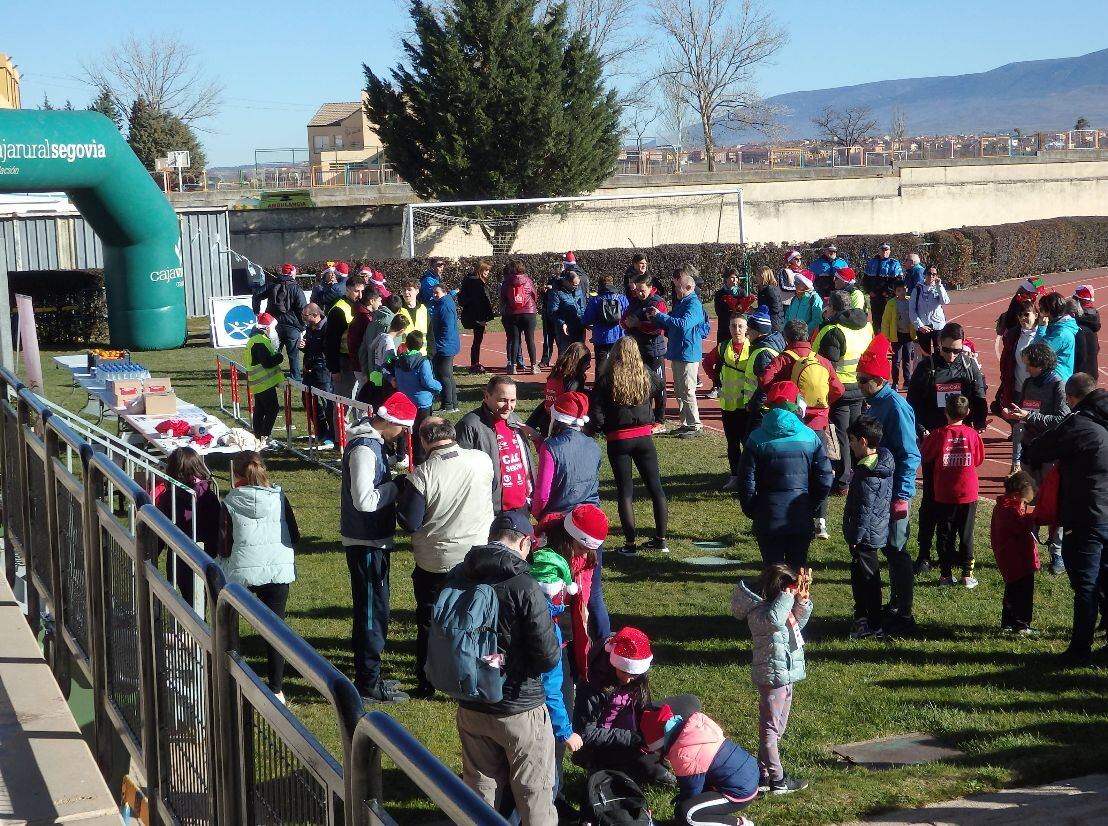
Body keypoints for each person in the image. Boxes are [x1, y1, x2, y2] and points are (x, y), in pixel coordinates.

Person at [452, 510, 561, 826]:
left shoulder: (459, 575)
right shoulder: (523, 586)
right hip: (519, 708)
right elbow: (547, 658)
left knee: (477, 796)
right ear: (526, 542)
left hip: (471, 704)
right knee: (535, 797)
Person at [396, 417, 494, 698]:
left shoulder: (423, 474)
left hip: (436, 561)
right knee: (476, 620)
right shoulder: (481, 460)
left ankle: (427, 682)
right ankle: (476, 676)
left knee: (431, 621)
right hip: (477, 556)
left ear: (424, 440)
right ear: (452, 435)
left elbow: (410, 522)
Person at [1022, 373, 1108, 666]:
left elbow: (1040, 448)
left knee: (1085, 583)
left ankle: (1080, 649)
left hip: (1087, 512)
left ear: (1071, 398)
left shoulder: (1078, 423)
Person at [341, 392, 416, 703]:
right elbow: (364, 499)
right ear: (390, 422)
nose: (404, 435)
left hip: (371, 540)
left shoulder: (372, 445)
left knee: (375, 611)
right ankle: (368, 683)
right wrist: (395, 487)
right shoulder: (364, 450)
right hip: (366, 541)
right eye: (403, 428)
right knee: (373, 613)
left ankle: (371, 675)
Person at [906, 322, 988, 575]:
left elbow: (979, 398)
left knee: (958, 501)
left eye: (957, 350)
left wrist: (979, 425)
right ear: (938, 344)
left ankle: (953, 555)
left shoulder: (968, 366)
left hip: (959, 444)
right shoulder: (926, 368)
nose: (952, 355)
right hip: (935, 443)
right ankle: (924, 553)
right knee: (931, 499)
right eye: (947, 350)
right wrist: (922, 431)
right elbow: (912, 406)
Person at [217, 450, 298, 704]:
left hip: (241, 572)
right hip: (277, 570)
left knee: (230, 624)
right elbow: (294, 535)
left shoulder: (229, 501)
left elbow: (223, 544)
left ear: (236, 474)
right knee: (275, 629)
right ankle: (276, 688)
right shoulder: (279, 496)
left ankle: (233, 677)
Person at [855, 335, 922, 638]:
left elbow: (910, 453)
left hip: (895, 492)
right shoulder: (876, 402)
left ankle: (904, 612)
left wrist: (903, 496)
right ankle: (894, 605)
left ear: (878, 379)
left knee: (897, 550)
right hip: (882, 490)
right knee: (889, 550)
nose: (858, 383)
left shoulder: (894, 407)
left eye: (863, 379)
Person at [729, 564, 812, 796]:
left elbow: (797, 624)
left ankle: (763, 773)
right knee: (770, 730)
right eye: (789, 590)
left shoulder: (780, 607)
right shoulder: (759, 612)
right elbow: (775, 620)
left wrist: (802, 602)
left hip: (785, 675)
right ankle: (778, 779)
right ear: (779, 590)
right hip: (772, 676)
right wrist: (787, 597)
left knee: (777, 728)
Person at [760, 319, 844, 538]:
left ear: (787, 339)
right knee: (821, 471)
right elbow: (838, 389)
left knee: (793, 472)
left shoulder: (784, 359)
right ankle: (821, 522)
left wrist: (780, 395)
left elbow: (764, 379)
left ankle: (794, 517)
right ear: (808, 336)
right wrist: (823, 407)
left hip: (793, 424)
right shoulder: (821, 360)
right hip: (818, 424)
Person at [738, 382, 833, 569]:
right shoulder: (810, 436)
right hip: (800, 513)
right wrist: (812, 505)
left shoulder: (756, 438)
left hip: (768, 514)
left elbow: (746, 480)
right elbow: (824, 477)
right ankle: (798, 598)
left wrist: (753, 510)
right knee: (798, 571)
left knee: (772, 571)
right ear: (797, 403)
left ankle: (775, 597)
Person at [590, 337, 670, 555]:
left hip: (618, 438)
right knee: (656, 488)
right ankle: (661, 539)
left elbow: (596, 410)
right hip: (644, 436)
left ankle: (630, 544)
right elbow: (660, 386)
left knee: (625, 491)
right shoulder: (643, 372)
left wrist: (603, 427)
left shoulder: (607, 377)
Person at [572, 627, 676, 790]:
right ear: (613, 662)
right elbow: (586, 733)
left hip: (631, 735)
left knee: (689, 703)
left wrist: (653, 729)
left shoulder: (637, 679)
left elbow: (642, 706)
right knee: (631, 778)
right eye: (624, 672)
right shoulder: (592, 685)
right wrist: (632, 738)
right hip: (603, 744)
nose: (628, 680)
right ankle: (597, 765)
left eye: (634, 674)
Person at [1001, 342, 1069, 572]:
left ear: (1040, 363)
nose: (1026, 368)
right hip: (1030, 450)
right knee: (1028, 500)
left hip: (1050, 454)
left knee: (1054, 504)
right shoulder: (1029, 383)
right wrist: (1014, 415)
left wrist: (1029, 416)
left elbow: (1062, 419)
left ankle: (1056, 553)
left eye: (1029, 364)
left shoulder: (1057, 385)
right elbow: (1024, 414)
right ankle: (1028, 545)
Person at [528, 549, 585, 821]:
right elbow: (551, 691)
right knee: (541, 781)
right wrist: (565, 732)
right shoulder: (549, 630)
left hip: (499, 709)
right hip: (534, 718)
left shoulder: (512, 607)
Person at [638, 705, 759, 826]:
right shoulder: (693, 731)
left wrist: (682, 803)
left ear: (660, 744)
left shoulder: (683, 754)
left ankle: (737, 824)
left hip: (739, 792)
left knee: (687, 813)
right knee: (688, 808)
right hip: (748, 774)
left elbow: (692, 793)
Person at [921, 395, 985, 588]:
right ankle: (967, 574)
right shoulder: (972, 434)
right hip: (967, 493)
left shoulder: (938, 434)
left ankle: (945, 575)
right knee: (966, 534)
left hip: (944, 493)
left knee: (945, 534)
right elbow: (979, 459)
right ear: (967, 413)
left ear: (945, 412)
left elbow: (926, 454)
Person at [813, 290, 874, 494]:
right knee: (855, 433)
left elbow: (827, 366)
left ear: (833, 308)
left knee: (841, 436)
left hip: (840, 390)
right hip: (861, 386)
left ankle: (842, 481)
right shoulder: (866, 326)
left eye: (828, 307)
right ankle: (857, 473)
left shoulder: (833, 330)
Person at [842, 416, 894, 639]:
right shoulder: (881, 463)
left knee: (868, 579)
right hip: (876, 529)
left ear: (863, 441)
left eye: (852, 440)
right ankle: (863, 615)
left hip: (865, 534)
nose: (850, 445)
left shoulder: (866, 474)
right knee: (862, 575)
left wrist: (856, 536)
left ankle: (873, 624)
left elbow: (864, 510)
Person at [456, 375, 535, 515]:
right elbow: (459, 471)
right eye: (502, 400)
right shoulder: (470, 425)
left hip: (521, 507)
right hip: (490, 510)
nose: (508, 407)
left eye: (513, 400)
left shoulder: (516, 421)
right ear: (487, 396)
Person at [648, 266, 710, 438]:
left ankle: (695, 425)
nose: (675, 290)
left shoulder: (694, 304)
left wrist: (661, 316)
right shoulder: (682, 303)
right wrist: (657, 318)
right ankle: (686, 423)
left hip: (688, 353)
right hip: (678, 351)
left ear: (689, 288)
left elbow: (683, 324)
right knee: (679, 390)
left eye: (678, 287)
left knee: (688, 390)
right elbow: (672, 324)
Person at [155, 446, 220, 605]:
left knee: (186, 605)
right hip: (207, 557)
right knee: (201, 603)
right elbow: (217, 526)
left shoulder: (168, 498)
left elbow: (160, 531)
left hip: (181, 558)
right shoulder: (209, 495)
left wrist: (151, 553)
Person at [532, 392, 601, 518]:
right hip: (588, 515)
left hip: (559, 519)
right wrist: (538, 441)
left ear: (556, 417)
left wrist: (536, 513)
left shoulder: (550, 447)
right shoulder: (594, 445)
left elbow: (542, 495)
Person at [990, 470, 1041, 636]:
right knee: (1023, 594)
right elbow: (1019, 527)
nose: (1024, 506)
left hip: (1012, 559)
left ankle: (1008, 623)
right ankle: (1021, 624)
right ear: (1017, 495)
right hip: (1018, 560)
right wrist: (1033, 518)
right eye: (1024, 502)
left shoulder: (1004, 506)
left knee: (1011, 592)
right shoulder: (1009, 511)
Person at [623, 270, 669, 433]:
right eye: (637, 290)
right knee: (642, 383)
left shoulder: (658, 303)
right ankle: (646, 417)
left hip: (654, 350)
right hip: (638, 349)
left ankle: (660, 420)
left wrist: (639, 325)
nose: (640, 293)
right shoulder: (634, 300)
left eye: (643, 290)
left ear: (651, 288)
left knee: (658, 384)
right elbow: (625, 318)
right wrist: (627, 323)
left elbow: (659, 328)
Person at [390, 330, 442, 463]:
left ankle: (401, 454)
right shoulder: (422, 362)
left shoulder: (399, 361)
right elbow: (428, 382)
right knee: (422, 429)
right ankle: (419, 457)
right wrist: (439, 387)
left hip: (405, 399)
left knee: (404, 427)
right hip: (422, 402)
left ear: (406, 344)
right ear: (421, 345)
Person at [253, 262, 307, 381]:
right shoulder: (296, 288)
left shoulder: (271, 285)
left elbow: (256, 294)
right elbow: (302, 309)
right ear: (292, 273)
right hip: (292, 327)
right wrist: (302, 326)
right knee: (293, 355)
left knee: (273, 352)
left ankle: (271, 376)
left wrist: (256, 311)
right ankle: (296, 377)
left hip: (273, 326)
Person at [718, 315, 751, 492]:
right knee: (732, 443)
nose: (736, 330)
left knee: (748, 443)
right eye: (733, 326)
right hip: (729, 405)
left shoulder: (752, 347)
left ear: (747, 329)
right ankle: (735, 477)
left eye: (740, 326)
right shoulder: (723, 347)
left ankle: (749, 476)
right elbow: (709, 366)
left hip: (746, 406)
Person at [527, 343, 591, 436]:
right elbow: (571, 401)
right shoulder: (575, 378)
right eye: (587, 363)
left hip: (547, 418)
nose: (588, 366)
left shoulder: (556, 373)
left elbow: (549, 399)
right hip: (561, 424)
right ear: (580, 362)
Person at [742, 306, 785, 435]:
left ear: (758, 331)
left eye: (749, 328)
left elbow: (765, 385)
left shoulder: (763, 354)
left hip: (761, 410)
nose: (746, 331)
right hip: (761, 407)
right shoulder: (764, 347)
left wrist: (753, 406)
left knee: (752, 443)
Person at [993, 303, 1040, 419]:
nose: (1023, 318)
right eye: (1020, 315)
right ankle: (1016, 433)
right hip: (1018, 387)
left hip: (1036, 388)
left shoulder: (1043, 334)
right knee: (1011, 413)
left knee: (1033, 420)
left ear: (1036, 315)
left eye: (1026, 314)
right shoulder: (1013, 335)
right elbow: (1006, 359)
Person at [244, 313, 284, 446]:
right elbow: (267, 362)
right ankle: (264, 436)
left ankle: (258, 435)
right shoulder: (259, 341)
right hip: (264, 383)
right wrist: (279, 357)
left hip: (259, 383)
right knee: (272, 409)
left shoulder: (256, 339)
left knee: (260, 410)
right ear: (267, 328)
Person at [299, 303, 335, 448]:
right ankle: (321, 431)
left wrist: (314, 363)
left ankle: (333, 435)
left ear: (315, 315)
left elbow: (326, 352)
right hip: (309, 371)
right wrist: (304, 347)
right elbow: (311, 349)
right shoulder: (310, 327)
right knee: (307, 400)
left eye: (305, 316)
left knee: (328, 404)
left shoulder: (327, 328)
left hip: (323, 371)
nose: (303, 319)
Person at [325, 274, 366, 401]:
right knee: (343, 402)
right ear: (347, 290)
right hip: (345, 362)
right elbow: (331, 341)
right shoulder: (338, 310)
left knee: (360, 400)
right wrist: (334, 369)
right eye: (356, 291)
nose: (360, 295)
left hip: (359, 360)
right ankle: (339, 422)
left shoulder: (361, 307)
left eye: (362, 291)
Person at [500, 261, 540, 374]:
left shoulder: (507, 282)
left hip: (513, 313)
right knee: (530, 339)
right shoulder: (528, 280)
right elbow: (534, 295)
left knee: (514, 339)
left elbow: (503, 297)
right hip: (529, 312)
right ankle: (533, 366)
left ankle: (512, 366)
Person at [583, 274, 628, 373]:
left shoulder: (595, 300)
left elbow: (587, 319)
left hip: (601, 336)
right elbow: (627, 316)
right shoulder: (622, 298)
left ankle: (600, 387)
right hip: (619, 336)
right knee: (619, 365)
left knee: (600, 365)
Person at [458, 259, 496, 374]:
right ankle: (474, 364)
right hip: (476, 315)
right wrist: (481, 319)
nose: (488, 273)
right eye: (486, 270)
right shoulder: (476, 282)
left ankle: (475, 363)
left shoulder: (469, 280)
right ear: (480, 269)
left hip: (474, 314)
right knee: (477, 341)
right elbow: (478, 301)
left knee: (477, 341)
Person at [1034, 291, 1080, 382]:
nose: (1040, 313)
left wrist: (1041, 328)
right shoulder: (1056, 327)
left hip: (1056, 380)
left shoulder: (1061, 333)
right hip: (1051, 378)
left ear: (1048, 312)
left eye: (1041, 310)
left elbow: (1037, 352)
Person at [428, 283, 460, 413]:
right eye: (433, 292)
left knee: (443, 375)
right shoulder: (444, 303)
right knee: (448, 375)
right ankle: (453, 404)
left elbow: (446, 327)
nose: (435, 295)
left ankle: (447, 405)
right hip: (447, 344)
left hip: (445, 345)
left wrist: (440, 345)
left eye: (437, 292)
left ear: (445, 292)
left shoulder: (445, 306)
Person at [909, 265, 949, 359]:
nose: (931, 276)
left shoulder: (938, 288)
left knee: (939, 352)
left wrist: (939, 286)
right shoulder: (917, 289)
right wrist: (920, 326)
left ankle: (938, 372)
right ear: (924, 274)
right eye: (929, 273)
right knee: (925, 354)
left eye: (934, 274)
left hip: (938, 325)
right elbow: (912, 309)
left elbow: (945, 301)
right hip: (923, 326)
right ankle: (928, 372)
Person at [348, 285, 383, 391]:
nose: (381, 304)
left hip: (366, 365)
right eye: (379, 301)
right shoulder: (364, 320)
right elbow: (361, 346)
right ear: (372, 301)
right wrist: (364, 370)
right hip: (365, 366)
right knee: (368, 393)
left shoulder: (365, 316)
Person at [881, 282, 915, 389]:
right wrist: (886, 336)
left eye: (904, 290)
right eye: (899, 290)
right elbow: (886, 321)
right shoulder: (891, 303)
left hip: (909, 335)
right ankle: (895, 382)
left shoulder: (911, 301)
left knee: (907, 359)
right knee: (896, 360)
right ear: (895, 292)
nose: (902, 292)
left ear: (907, 289)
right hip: (897, 335)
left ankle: (907, 381)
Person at [863, 243, 903, 333]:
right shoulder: (871, 263)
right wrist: (869, 291)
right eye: (882, 249)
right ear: (879, 250)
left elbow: (898, 281)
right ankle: (878, 342)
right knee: (876, 322)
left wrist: (888, 292)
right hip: (874, 298)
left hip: (888, 298)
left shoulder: (894, 263)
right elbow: (865, 280)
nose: (884, 251)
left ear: (889, 251)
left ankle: (890, 343)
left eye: (886, 250)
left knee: (889, 321)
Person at [549, 269, 587, 353]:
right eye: (574, 285)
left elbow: (582, 307)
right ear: (567, 282)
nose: (576, 287)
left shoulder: (578, 290)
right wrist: (562, 323)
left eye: (578, 285)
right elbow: (552, 312)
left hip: (579, 326)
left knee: (580, 353)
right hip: (565, 329)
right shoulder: (556, 292)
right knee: (565, 354)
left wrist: (585, 321)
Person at [1073, 285, 1101, 378]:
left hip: (1079, 377)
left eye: (1075, 298)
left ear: (1081, 300)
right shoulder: (1093, 318)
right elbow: (1097, 348)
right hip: (1092, 372)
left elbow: (1080, 354)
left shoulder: (1077, 323)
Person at [783, 271, 822, 337]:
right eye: (794, 282)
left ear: (806, 285)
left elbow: (817, 320)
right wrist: (786, 330)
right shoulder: (794, 299)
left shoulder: (814, 298)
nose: (794, 285)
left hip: (805, 338)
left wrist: (802, 333)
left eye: (797, 283)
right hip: (790, 338)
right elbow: (787, 316)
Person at [396, 278, 430, 353]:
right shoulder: (398, 311)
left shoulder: (424, 309)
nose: (406, 292)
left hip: (422, 356)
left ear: (417, 291)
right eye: (404, 290)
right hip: (404, 357)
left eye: (409, 289)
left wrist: (430, 355)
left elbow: (430, 334)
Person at [714, 268, 744, 347]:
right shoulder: (719, 294)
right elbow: (718, 312)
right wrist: (731, 308)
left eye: (737, 278)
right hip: (724, 328)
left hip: (737, 327)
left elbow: (745, 309)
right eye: (732, 277)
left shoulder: (741, 293)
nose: (735, 280)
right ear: (726, 279)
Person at [756, 266, 784, 333]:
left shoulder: (770, 289)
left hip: (774, 323)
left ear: (764, 276)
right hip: (766, 321)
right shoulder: (761, 290)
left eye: (758, 276)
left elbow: (776, 309)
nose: (756, 278)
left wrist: (761, 311)